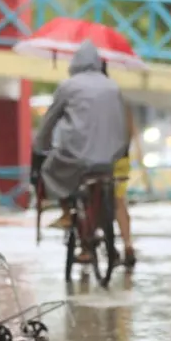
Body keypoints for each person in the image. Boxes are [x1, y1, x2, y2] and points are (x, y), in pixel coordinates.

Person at [33, 40, 130, 263]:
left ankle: (67, 212)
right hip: (109, 157)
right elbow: (121, 122)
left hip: (75, 156)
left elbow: (49, 121)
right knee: (105, 192)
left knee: (50, 171)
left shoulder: (69, 86)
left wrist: (40, 146)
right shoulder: (112, 86)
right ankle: (101, 231)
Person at [103, 59, 139, 268]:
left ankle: (86, 247)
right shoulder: (119, 99)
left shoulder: (87, 98)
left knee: (85, 197)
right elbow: (130, 130)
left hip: (94, 159)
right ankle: (128, 245)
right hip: (121, 159)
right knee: (119, 202)